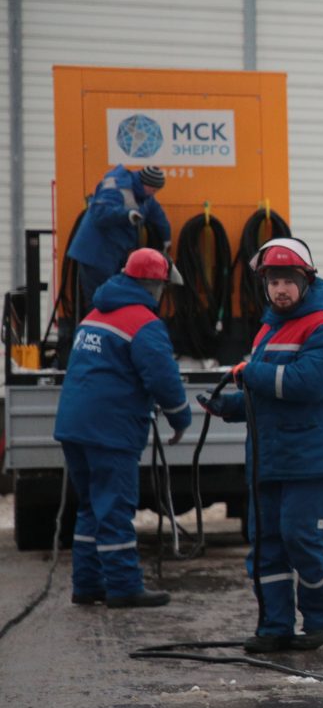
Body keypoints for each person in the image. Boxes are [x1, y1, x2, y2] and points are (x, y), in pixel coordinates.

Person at [198, 237, 323, 654]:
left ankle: (320, 619)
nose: (280, 290)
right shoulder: (270, 328)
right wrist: (230, 406)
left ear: (306, 281)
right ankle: (274, 626)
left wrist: (252, 374)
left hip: (311, 459)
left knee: (300, 538)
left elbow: (310, 383)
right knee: (267, 542)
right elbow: (265, 392)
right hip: (270, 458)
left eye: (288, 281)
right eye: (273, 282)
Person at [54, 247, 191, 608]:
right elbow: (163, 378)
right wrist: (180, 417)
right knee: (114, 508)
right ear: (155, 286)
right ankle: (123, 586)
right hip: (110, 431)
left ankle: (87, 584)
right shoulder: (144, 323)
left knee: (90, 506)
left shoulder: (95, 314)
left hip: (74, 426)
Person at [67, 165, 172, 312]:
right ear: (145, 183)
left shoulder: (145, 196)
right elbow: (99, 213)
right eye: (153, 190)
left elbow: (158, 216)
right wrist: (126, 215)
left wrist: (167, 239)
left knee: (113, 298)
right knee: (98, 299)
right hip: (95, 253)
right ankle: (96, 330)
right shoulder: (117, 187)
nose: (153, 194)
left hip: (114, 254)